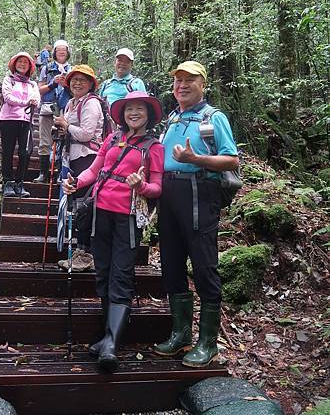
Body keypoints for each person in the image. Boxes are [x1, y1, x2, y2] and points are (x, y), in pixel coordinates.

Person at [63, 91, 164, 372]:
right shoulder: (112, 139)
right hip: (100, 214)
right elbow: (95, 170)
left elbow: (157, 186)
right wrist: (75, 182)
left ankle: (111, 342)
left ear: (149, 114)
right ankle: (108, 336)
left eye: (139, 109)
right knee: (103, 272)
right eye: (129, 108)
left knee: (121, 275)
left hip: (128, 218)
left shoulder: (153, 147)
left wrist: (140, 187)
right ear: (122, 113)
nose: (134, 113)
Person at [154, 61, 239, 367]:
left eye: (189, 80)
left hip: (199, 194)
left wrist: (195, 158)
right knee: (171, 265)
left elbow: (231, 161)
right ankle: (180, 335)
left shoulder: (213, 117)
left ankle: (208, 342)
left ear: (203, 84)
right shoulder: (173, 118)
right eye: (177, 81)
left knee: (204, 266)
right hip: (169, 195)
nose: (182, 85)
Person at [53, 64, 104, 272]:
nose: (77, 83)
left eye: (83, 80)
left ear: (91, 84)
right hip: (73, 158)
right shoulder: (71, 104)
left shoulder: (91, 104)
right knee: (76, 205)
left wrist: (67, 126)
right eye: (74, 79)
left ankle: (86, 253)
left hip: (89, 158)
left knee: (84, 206)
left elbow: (87, 134)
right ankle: (80, 251)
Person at [0, 52, 40, 197]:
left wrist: (33, 102)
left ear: (30, 66)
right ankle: (8, 183)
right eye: (20, 62)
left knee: (26, 152)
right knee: (8, 151)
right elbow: (8, 97)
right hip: (8, 120)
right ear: (15, 65)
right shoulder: (8, 80)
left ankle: (19, 183)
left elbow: (36, 99)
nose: (22, 64)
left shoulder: (33, 84)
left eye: (25, 62)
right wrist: (25, 103)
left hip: (26, 121)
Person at [35, 39, 72, 183]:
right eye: (58, 50)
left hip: (65, 109)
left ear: (67, 52)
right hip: (47, 107)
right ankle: (43, 173)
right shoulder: (47, 68)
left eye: (64, 49)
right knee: (45, 141)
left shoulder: (72, 69)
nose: (61, 52)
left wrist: (66, 85)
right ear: (54, 52)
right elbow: (39, 90)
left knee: (62, 140)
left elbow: (77, 92)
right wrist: (53, 83)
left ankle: (58, 173)